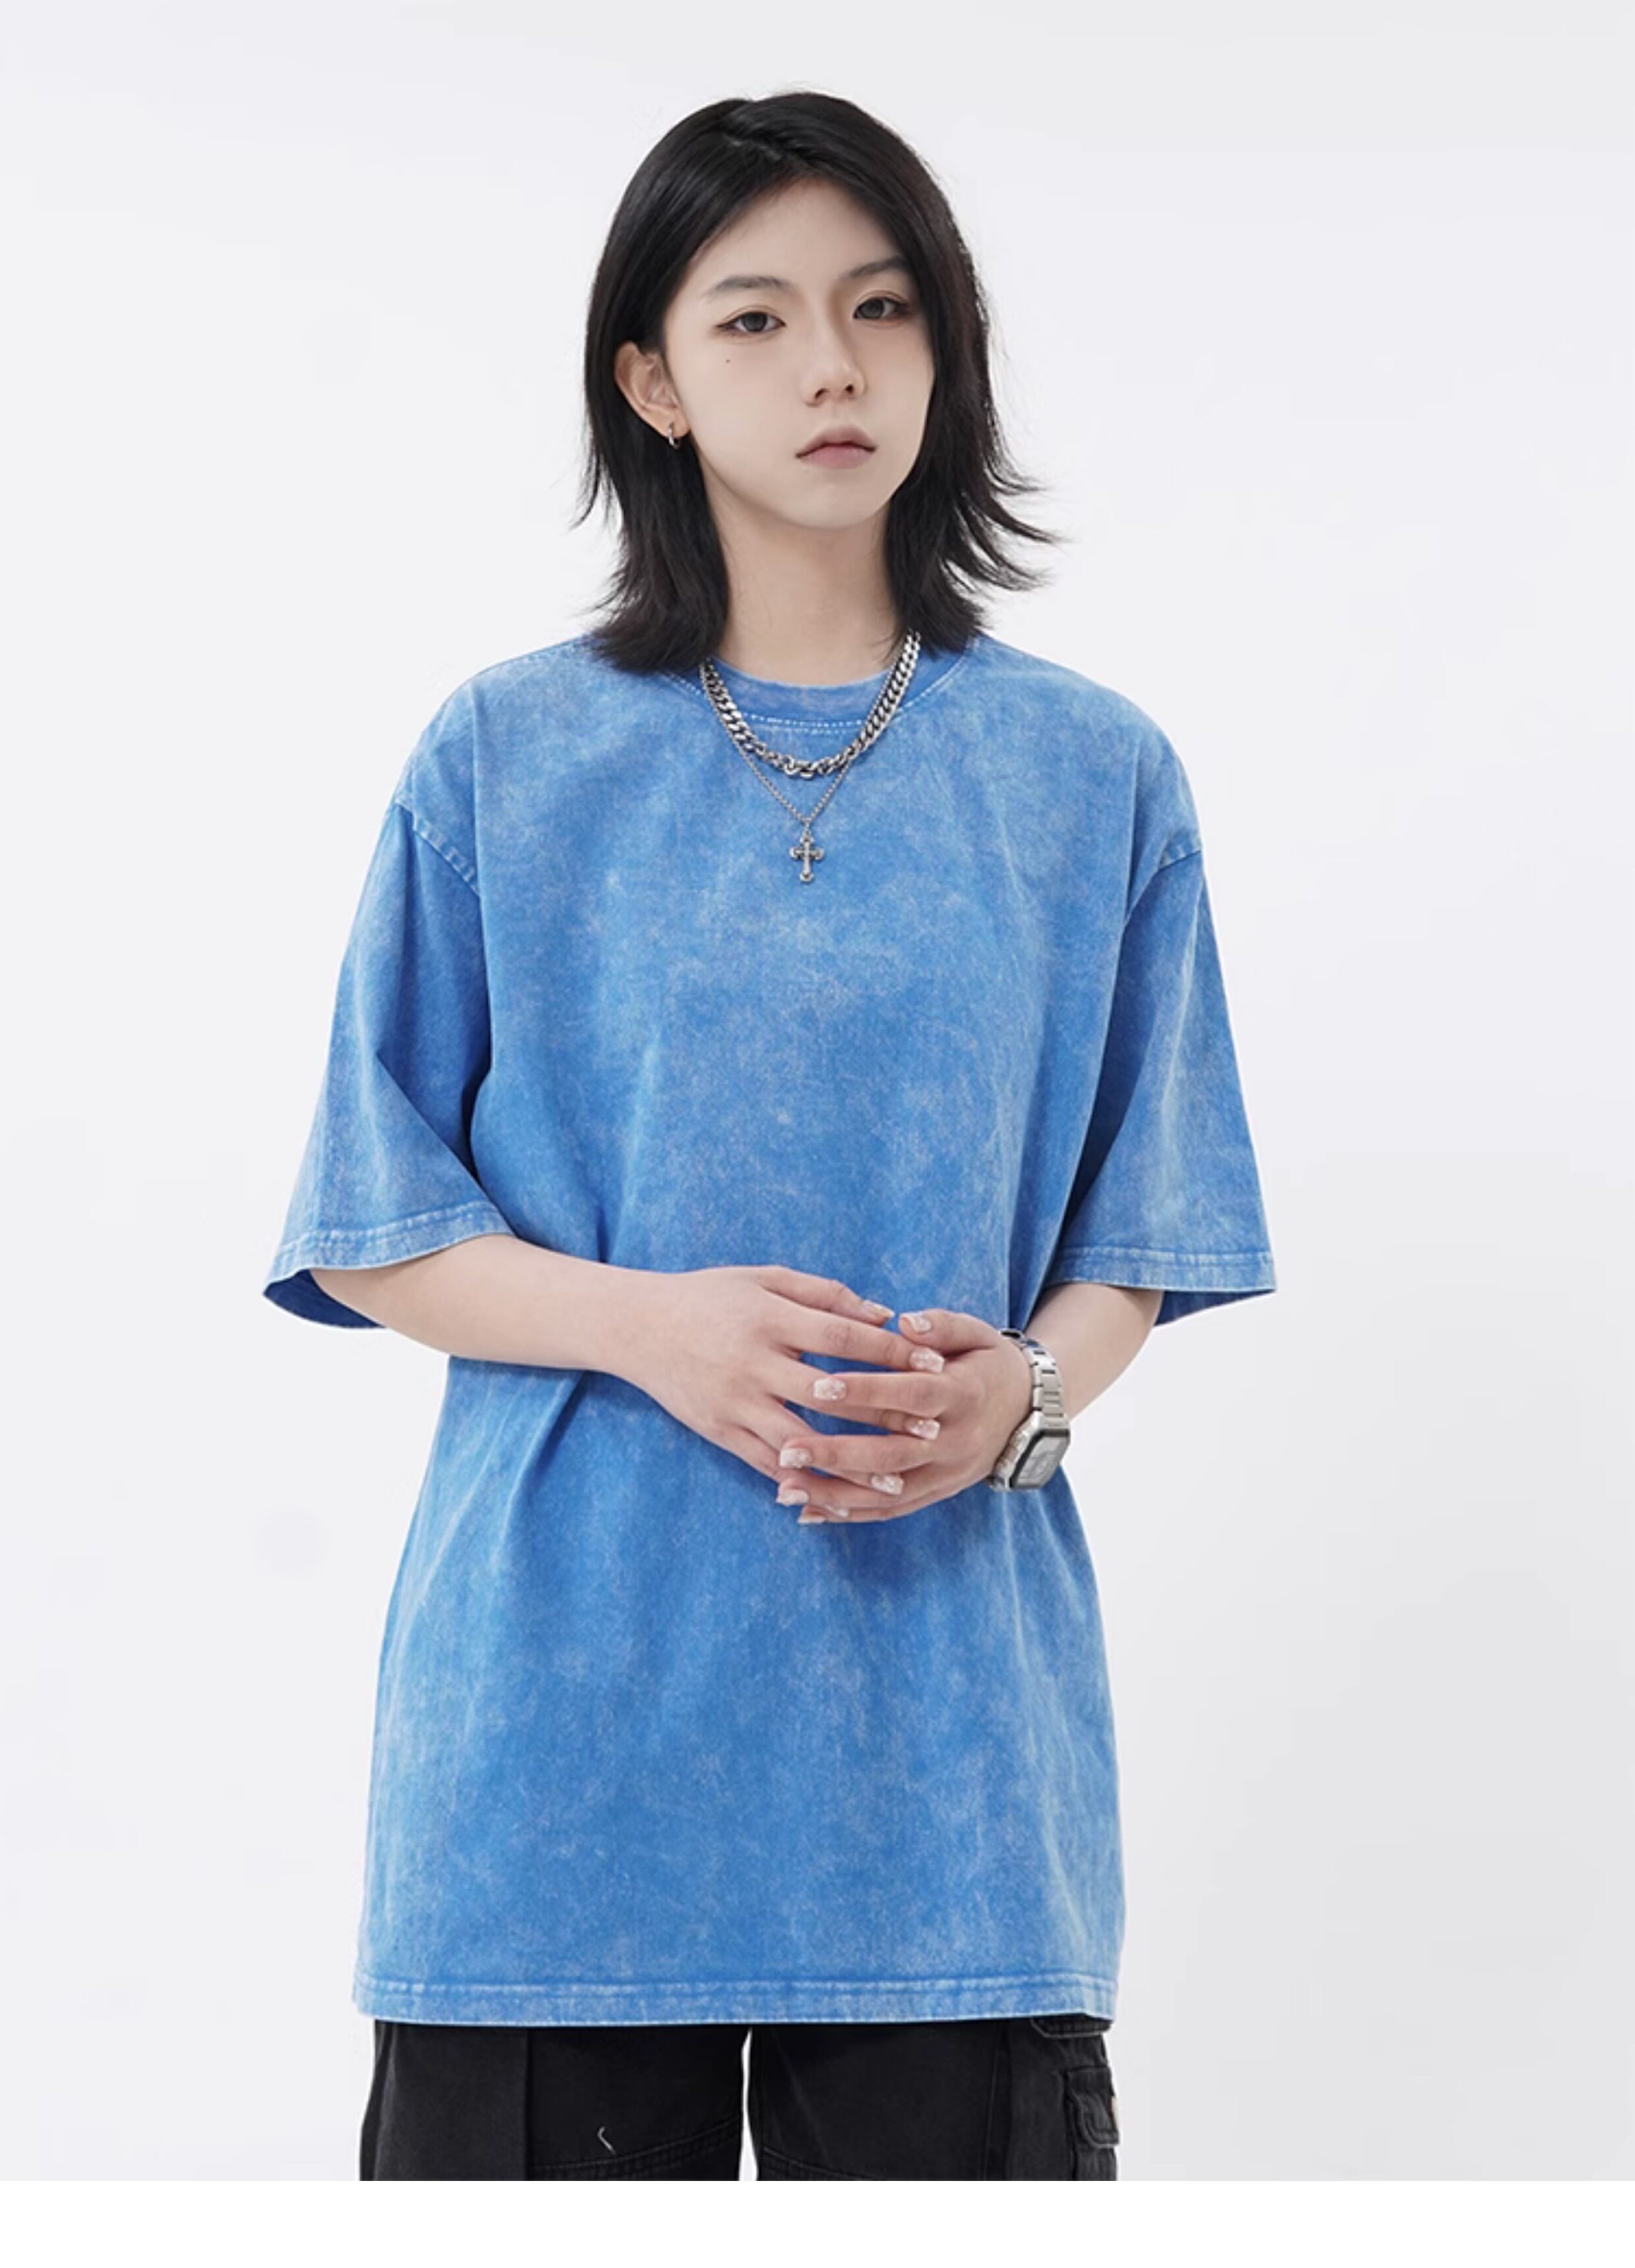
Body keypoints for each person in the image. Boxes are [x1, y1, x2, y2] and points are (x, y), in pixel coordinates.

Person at [260, 90, 1276, 2180]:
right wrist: (652, 1330)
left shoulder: (1093, 776)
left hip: (947, 1768)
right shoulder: (508, 755)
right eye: (757, 318)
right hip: (553, 1756)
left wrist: (1022, 1395)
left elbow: (1144, 1232)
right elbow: (370, 1216)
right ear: (650, 379)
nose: (834, 367)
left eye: (883, 308)